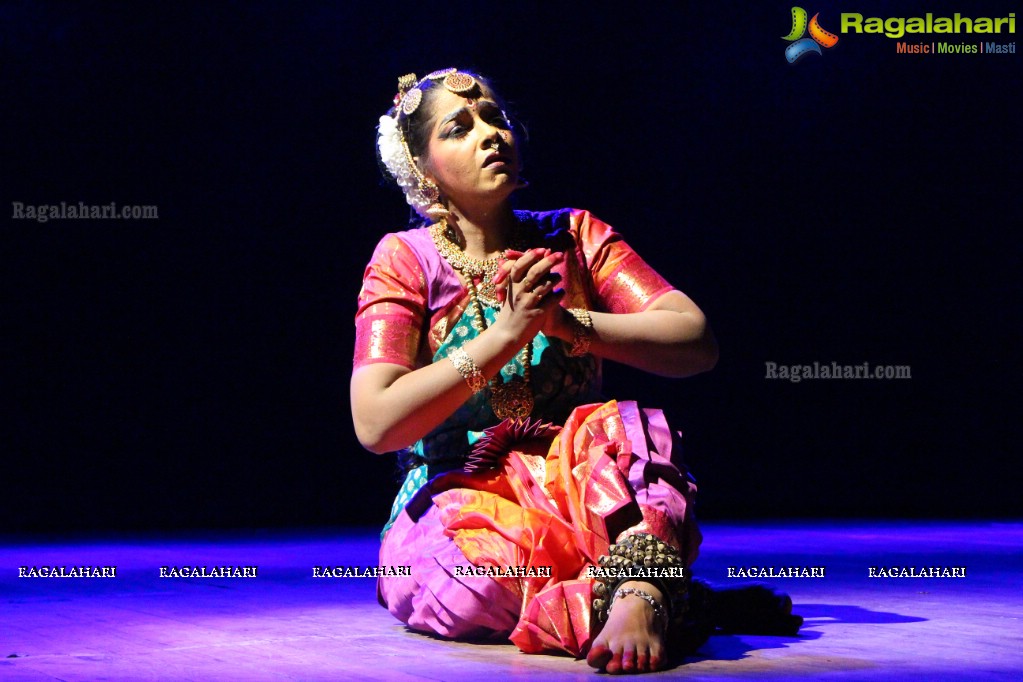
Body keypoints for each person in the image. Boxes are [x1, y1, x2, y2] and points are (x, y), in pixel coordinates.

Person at [352, 68, 795, 675]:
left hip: (581, 481)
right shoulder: (405, 259)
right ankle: (657, 597)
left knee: (628, 436)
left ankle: (638, 597)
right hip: (456, 495)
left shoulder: (573, 235)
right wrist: (505, 337)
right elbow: (376, 421)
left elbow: (693, 340)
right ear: (423, 171)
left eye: (495, 117)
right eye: (460, 128)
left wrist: (568, 324)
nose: (490, 134)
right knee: (470, 584)